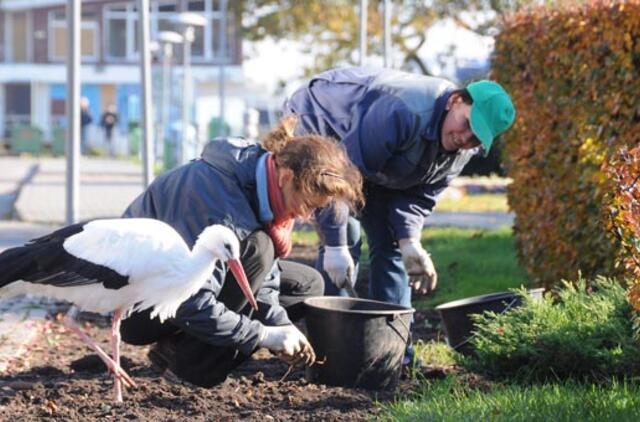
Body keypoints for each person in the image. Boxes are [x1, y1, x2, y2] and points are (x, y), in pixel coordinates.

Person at [284, 67, 515, 363]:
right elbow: (342, 178)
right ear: (455, 101)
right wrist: (335, 246)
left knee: (393, 245)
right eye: (466, 124)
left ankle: (392, 354)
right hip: (323, 123)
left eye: (476, 138)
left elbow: (418, 198)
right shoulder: (402, 111)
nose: (465, 138)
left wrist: (410, 242)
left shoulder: (462, 151)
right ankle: (333, 354)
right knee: (346, 235)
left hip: (374, 158)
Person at [119, 116, 364, 387]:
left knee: (305, 285)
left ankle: (175, 348)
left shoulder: (260, 177)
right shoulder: (218, 204)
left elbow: (265, 277)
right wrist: (262, 335)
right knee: (258, 249)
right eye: (307, 203)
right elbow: (191, 301)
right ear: (286, 177)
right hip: (138, 306)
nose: (307, 216)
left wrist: (280, 324)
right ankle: (190, 371)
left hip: (179, 292)